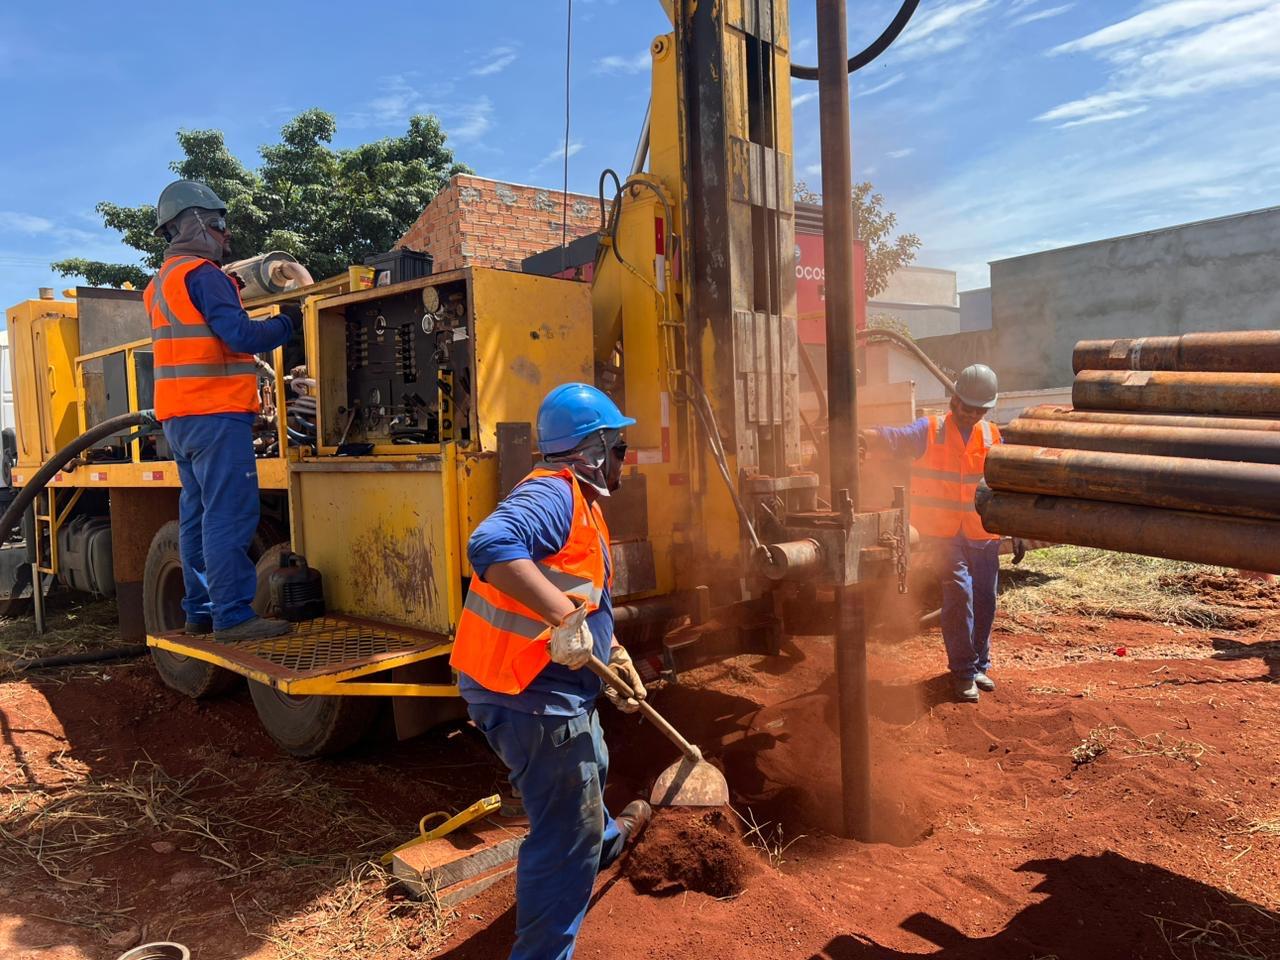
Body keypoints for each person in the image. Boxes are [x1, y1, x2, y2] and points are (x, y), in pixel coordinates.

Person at [450, 382, 654, 960]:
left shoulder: (582, 504)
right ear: (590, 451)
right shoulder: (553, 496)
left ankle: (604, 840)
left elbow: (582, 589)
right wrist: (564, 618)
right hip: (528, 693)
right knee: (564, 832)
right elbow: (490, 543)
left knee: (594, 760)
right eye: (619, 448)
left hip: (535, 682)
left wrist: (611, 653)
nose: (624, 459)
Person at [144, 180, 296, 641]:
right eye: (219, 224)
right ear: (192, 223)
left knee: (197, 516)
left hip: (179, 418)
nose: (225, 235)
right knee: (229, 513)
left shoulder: (158, 284)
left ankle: (200, 610)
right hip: (215, 413)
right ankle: (232, 615)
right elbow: (241, 337)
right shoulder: (205, 275)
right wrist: (291, 320)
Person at [861, 363, 1003, 703]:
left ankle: (980, 663)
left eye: (978, 409)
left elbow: (1004, 477)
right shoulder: (931, 429)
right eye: (966, 407)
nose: (971, 415)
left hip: (983, 530)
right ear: (954, 400)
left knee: (986, 598)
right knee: (959, 592)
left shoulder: (992, 435)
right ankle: (962, 671)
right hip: (942, 533)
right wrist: (865, 435)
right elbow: (896, 438)